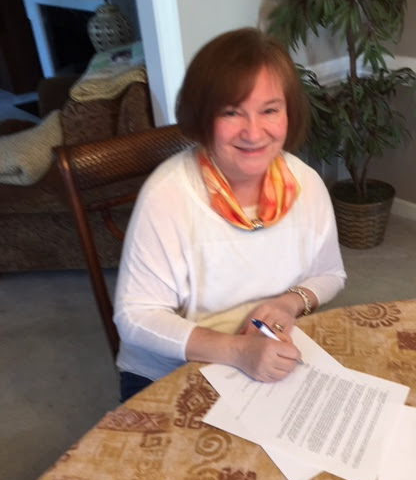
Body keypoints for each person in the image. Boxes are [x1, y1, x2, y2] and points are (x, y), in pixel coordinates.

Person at [114, 27, 346, 402]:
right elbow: (136, 317)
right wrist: (238, 351)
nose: (253, 133)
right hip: (171, 369)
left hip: (267, 353)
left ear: (289, 112)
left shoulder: (306, 184)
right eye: (232, 112)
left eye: (269, 110)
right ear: (203, 117)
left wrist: (289, 303)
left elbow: (330, 274)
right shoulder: (167, 195)